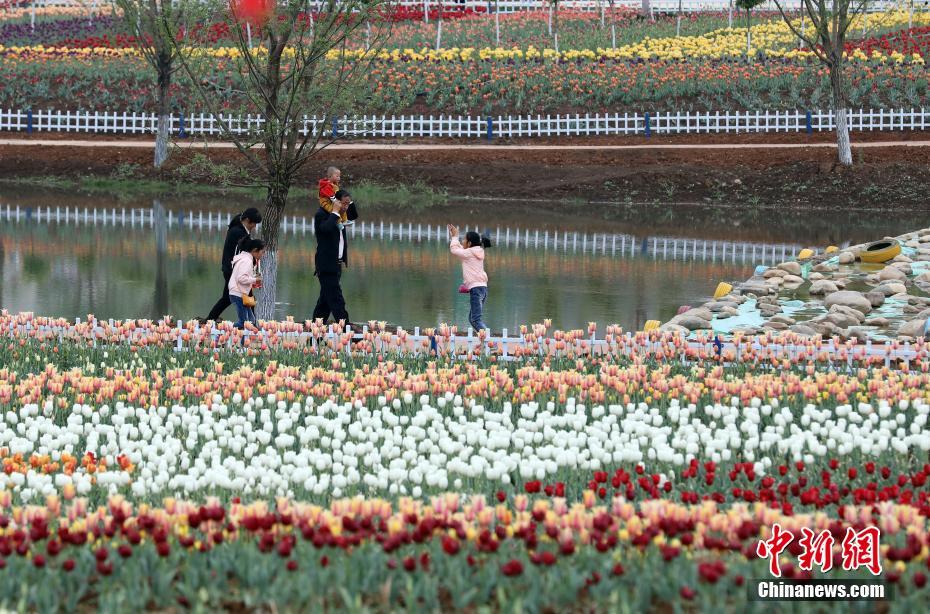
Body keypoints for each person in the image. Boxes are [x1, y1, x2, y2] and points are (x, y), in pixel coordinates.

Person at [204, 208, 262, 322]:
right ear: (247, 220)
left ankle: (210, 320)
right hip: (233, 271)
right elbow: (237, 255)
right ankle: (251, 325)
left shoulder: (241, 230)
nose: (255, 226)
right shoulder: (238, 233)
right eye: (254, 223)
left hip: (232, 270)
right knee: (247, 297)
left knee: (228, 298)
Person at [313, 190, 358, 325]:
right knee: (337, 300)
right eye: (343, 204)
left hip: (336, 264)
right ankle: (347, 331)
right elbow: (325, 229)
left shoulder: (342, 214)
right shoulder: (322, 214)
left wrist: (349, 203)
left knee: (325, 303)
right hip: (326, 265)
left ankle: (315, 336)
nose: (346, 207)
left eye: (347, 204)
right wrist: (335, 211)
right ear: (336, 202)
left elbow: (354, 215)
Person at [448, 225, 491, 332]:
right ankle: (483, 341)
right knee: (472, 319)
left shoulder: (469, 253)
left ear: (470, 243)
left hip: (476, 289)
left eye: (464, 239)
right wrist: (454, 236)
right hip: (483, 288)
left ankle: (491, 342)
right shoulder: (476, 251)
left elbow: (454, 250)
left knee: (475, 319)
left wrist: (455, 237)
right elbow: (460, 248)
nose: (462, 241)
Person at [228, 237, 265, 329]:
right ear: (255, 250)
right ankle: (225, 329)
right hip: (238, 293)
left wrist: (254, 280)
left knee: (251, 321)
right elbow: (241, 278)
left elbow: (243, 277)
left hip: (242, 294)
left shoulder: (246, 259)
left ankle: (245, 341)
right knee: (244, 323)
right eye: (262, 252)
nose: (263, 254)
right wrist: (255, 279)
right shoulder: (247, 261)